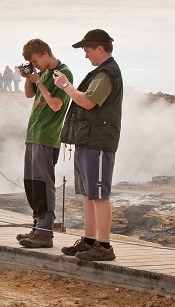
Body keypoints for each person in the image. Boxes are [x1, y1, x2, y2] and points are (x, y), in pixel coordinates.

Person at [55, 29, 123, 261]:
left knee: (99, 194)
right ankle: (90, 240)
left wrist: (66, 85)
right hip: (89, 140)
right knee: (88, 192)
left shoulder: (106, 74)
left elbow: (88, 102)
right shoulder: (101, 72)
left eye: (87, 50)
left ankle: (104, 247)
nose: (85, 55)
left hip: (98, 141)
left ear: (100, 48)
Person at [15, 39, 73, 249]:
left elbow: (57, 105)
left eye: (34, 60)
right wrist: (29, 78)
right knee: (32, 185)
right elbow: (30, 94)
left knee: (43, 184)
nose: (35, 64)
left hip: (47, 136)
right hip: (34, 135)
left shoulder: (62, 72)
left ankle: (45, 233)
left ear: (45, 53)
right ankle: (38, 227)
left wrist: (38, 80)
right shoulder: (44, 74)